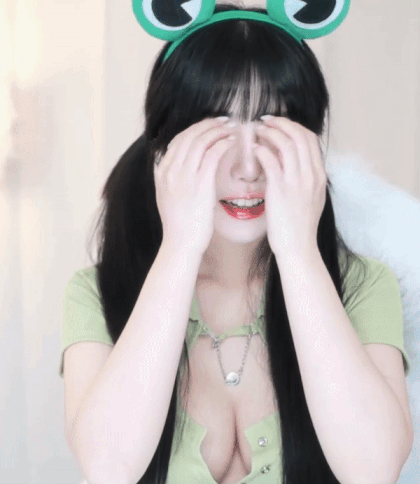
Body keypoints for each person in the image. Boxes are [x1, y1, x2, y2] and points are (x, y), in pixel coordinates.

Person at [59, 2, 412, 484]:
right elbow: (107, 468)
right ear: (164, 146)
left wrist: (299, 252)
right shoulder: (95, 292)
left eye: (273, 128)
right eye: (219, 131)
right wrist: (180, 247)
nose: (248, 168)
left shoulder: (364, 286)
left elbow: (373, 470)